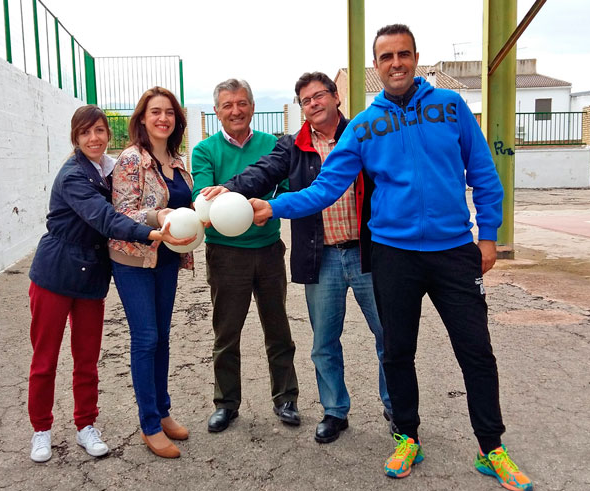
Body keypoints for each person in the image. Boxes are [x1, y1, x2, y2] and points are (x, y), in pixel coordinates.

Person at [250, 24, 533, 491]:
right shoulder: (364, 126)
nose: (396, 63)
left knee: (477, 352)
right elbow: (326, 187)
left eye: (404, 54)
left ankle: (491, 448)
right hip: (393, 254)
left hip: (453, 252)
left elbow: (483, 171)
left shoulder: (451, 107)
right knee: (397, 351)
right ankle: (407, 436)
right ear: (377, 67)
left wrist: (488, 236)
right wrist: (274, 206)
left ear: (416, 58)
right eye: (387, 57)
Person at [201, 72, 392, 444]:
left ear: (336, 97)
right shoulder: (292, 145)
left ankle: (396, 407)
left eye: (320, 95)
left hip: (369, 252)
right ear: (301, 108)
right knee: (324, 342)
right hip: (321, 256)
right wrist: (229, 189)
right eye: (306, 100)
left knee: (388, 334)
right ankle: (335, 411)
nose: (314, 103)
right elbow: (263, 173)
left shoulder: (364, 135)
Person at [27, 105, 193, 463]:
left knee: (86, 358)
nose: (94, 138)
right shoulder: (73, 175)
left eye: (100, 131)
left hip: (92, 273)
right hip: (56, 272)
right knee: (46, 358)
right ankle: (41, 429)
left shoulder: (108, 169)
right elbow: (105, 217)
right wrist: (152, 231)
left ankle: (86, 425)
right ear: (75, 137)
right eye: (86, 133)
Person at [191, 79, 300, 433]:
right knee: (227, 333)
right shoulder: (204, 150)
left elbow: (285, 191)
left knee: (278, 328)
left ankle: (286, 399)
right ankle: (226, 403)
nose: (235, 111)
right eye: (227, 105)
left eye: (241, 103)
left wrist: (262, 202)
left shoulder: (274, 146)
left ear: (252, 107)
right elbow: (204, 197)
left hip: (268, 250)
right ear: (217, 112)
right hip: (225, 255)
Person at [108, 87, 195, 459]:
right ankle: (149, 425)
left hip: (168, 258)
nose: (163, 118)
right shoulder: (130, 160)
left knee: (162, 338)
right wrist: (157, 217)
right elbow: (121, 213)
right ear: (142, 118)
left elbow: (187, 206)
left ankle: (162, 411)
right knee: (145, 338)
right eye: (155, 112)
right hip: (135, 260)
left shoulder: (176, 160)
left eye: (169, 113)